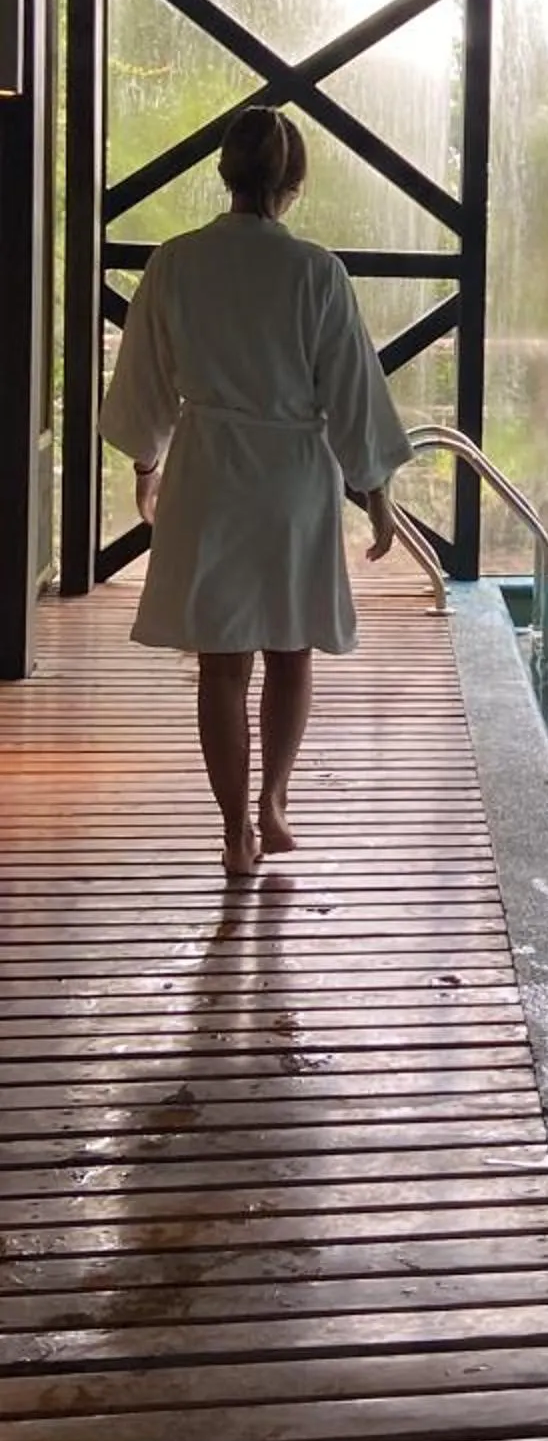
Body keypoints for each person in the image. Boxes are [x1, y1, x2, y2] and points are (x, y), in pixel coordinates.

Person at [100, 104, 414, 876]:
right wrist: (374, 491)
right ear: (294, 183)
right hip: (292, 479)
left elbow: (143, 380)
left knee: (222, 662)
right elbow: (351, 390)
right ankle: (275, 798)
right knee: (291, 647)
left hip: (209, 470)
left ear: (222, 173)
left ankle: (235, 829)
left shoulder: (175, 263)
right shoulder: (316, 271)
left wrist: (147, 465)